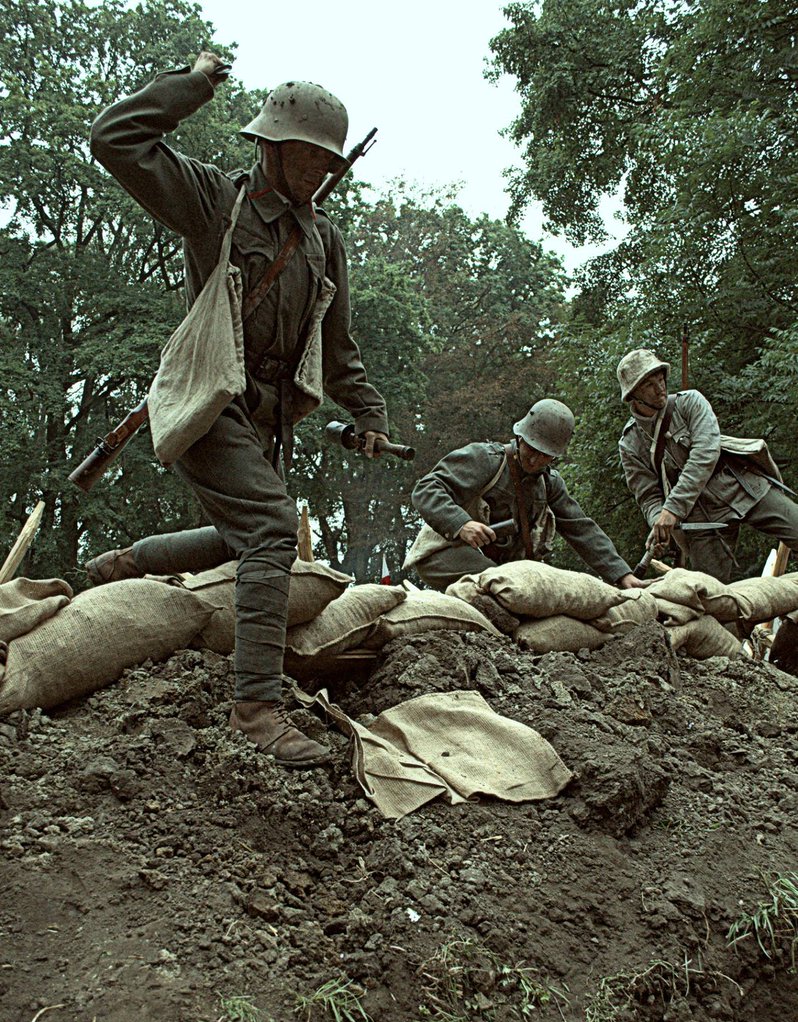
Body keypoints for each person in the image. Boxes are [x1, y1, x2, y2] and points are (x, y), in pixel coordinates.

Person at [86, 53, 390, 767]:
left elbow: (337, 345)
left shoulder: (323, 240)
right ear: (269, 148)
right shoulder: (215, 201)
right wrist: (192, 84)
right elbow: (115, 139)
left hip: (262, 421)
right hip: (209, 396)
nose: (317, 172)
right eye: (304, 157)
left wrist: (369, 415)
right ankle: (257, 708)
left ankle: (124, 564)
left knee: (243, 539)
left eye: (326, 161)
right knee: (272, 528)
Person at [404, 400, 642, 601]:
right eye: (532, 449)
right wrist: (461, 524)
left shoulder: (550, 484)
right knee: (506, 586)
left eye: (545, 455)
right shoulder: (485, 460)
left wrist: (622, 575)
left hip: (498, 570)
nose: (535, 460)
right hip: (442, 554)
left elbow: (582, 529)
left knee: (534, 590)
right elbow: (426, 489)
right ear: (520, 437)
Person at [617, 349, 798, 581]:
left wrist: (672, 510)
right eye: (649, 385)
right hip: (701, 519)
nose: (660, 387)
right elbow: (647, 495)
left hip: (743, 488)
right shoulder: (630, 443)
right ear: (633, 396)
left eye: (660, 379)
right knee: (712, 596)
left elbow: (705, 454)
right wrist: (660, 525)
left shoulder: (691, 402)